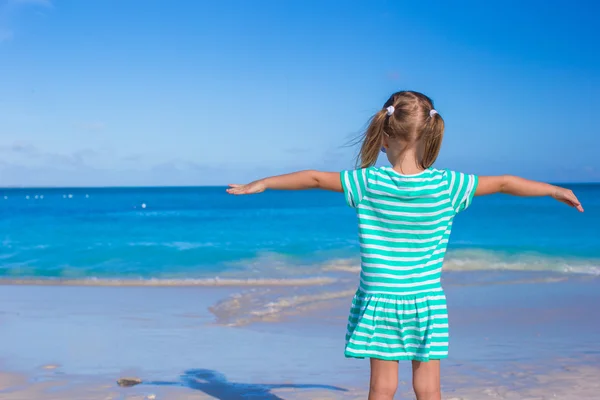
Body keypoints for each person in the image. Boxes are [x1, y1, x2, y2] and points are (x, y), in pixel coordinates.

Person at [226, 91, 583, 400]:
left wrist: (264, 182)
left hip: (380, 299)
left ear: (383, 136)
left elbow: (315, 178)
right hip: (426, 299)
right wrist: (553, 190)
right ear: (431, 135)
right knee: (428, 391)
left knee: (382, 390)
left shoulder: (366, 182)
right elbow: (505, 183)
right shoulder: (449, 186)